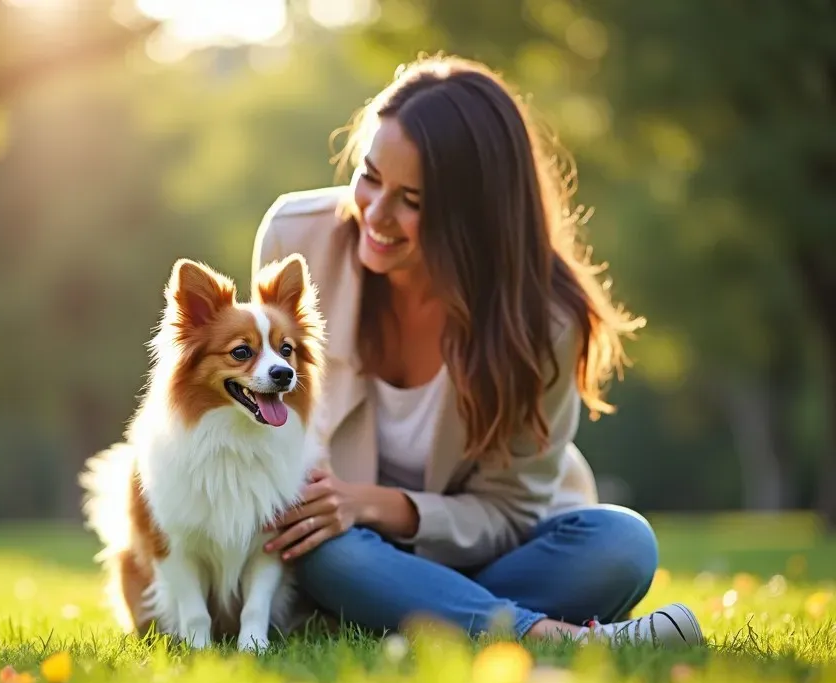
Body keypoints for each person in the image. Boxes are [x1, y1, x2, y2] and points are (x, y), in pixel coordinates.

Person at [251, 54, 703, 648]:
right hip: (341, 549)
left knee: (622, 546)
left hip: (490, 554)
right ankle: (548, 635)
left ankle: (402, 613)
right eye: (370, 176)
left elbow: (510, 512)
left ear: (476, 216)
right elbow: (258, 415)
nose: (377, 214)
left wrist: (376, 505)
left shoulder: (546, 319)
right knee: (324, 550)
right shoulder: (296, 236)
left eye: (412, 199)